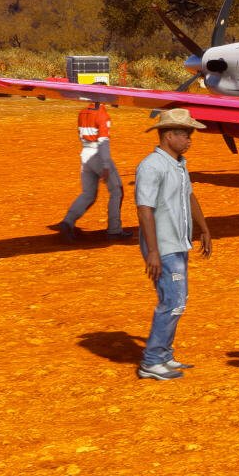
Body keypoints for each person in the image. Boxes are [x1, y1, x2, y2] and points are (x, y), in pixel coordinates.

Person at [133, 108, 212, 381]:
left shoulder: (179, 164)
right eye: (184, 134)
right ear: (167, 136)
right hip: (163, 245)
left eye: (190, 134)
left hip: (177, 242)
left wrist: (204, 229)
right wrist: (153, 251)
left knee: (178, 299)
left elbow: (189, 196)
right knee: (173, 301)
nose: (190, 139)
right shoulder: (151, 166)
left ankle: (164, 355)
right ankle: (152, 361)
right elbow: (144, 209)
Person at [55, 100, 128, 241]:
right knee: (117, 191)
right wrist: (106, 164)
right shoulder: (102, 115)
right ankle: (114, 230)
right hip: (98, 155)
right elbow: (103, 141)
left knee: (88, 194)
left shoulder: (82, 113)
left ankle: (68, 221)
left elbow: (80, 134)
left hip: (85, 153)